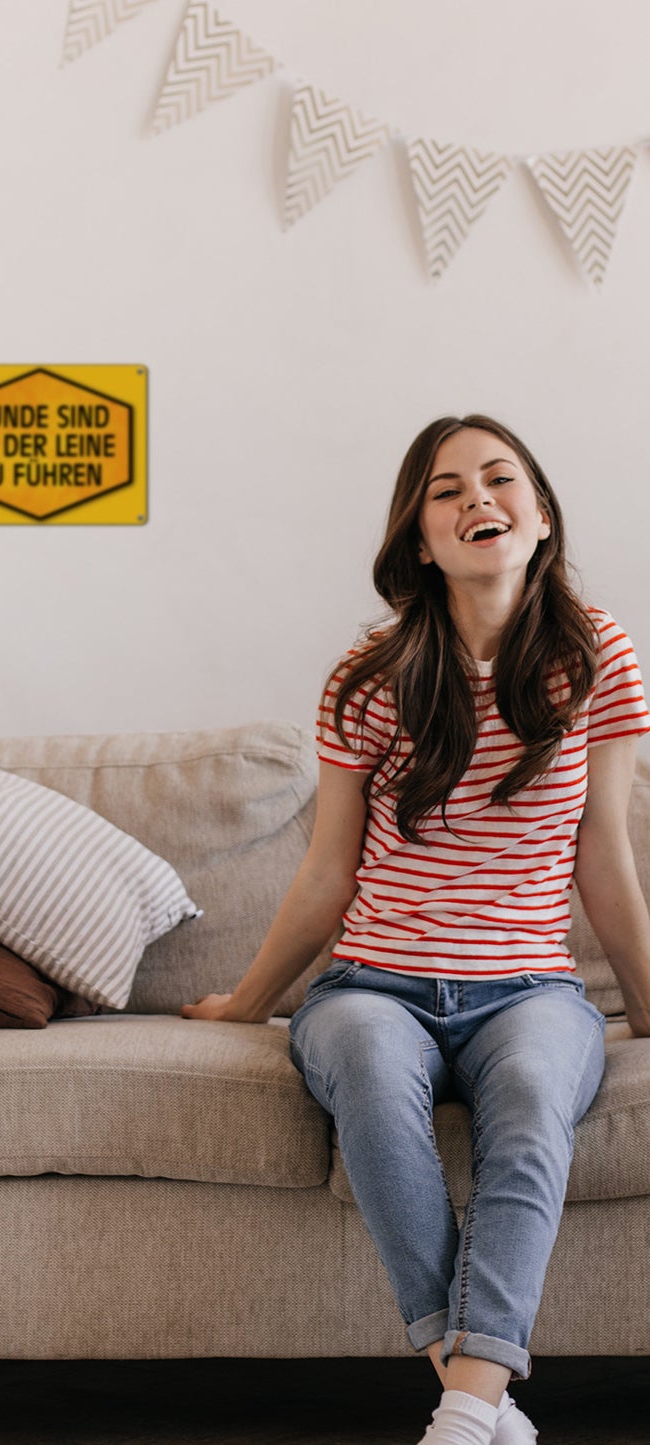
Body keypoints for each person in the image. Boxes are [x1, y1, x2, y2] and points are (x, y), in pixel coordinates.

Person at [181, 415, 650, 1445]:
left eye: (498, 478)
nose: (476, 498)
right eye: (446, 489)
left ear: (537, 518)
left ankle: (463, 1408)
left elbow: (601, 852)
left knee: (530, 1097)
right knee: (363, 1071)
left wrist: (649, 1009)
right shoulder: (369, 671)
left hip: (528, 990)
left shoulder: (595, 653)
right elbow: (327, 870)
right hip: (369, 984)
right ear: (418, 537)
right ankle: (478, 1397)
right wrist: (247, 1003)